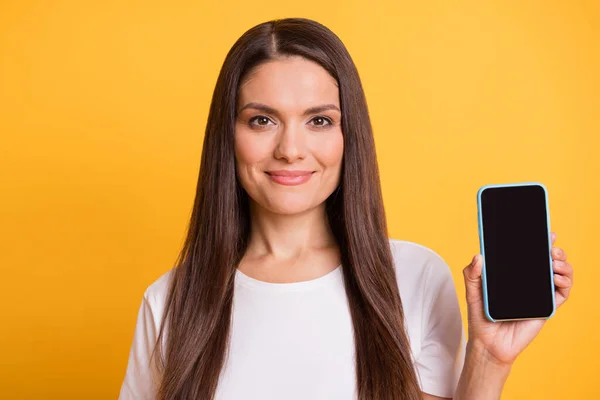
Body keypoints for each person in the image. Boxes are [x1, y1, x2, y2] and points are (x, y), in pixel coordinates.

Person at [118, 17, 574, 400]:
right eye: (262, 120)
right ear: (228, 136)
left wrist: (489, 358)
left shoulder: (414, 277)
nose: (291, 149)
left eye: (319, 120)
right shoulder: (171, 301)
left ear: (347, 136)